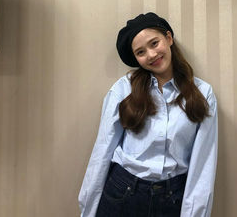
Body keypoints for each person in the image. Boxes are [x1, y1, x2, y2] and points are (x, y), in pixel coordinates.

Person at [78, 12, 218, 217]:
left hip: (173, 198)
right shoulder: (123, 90)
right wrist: (88, 210)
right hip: (122, 194)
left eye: (154, 43)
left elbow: (203, 164)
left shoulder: (203, 93)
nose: (151, 55)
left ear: (168, 38)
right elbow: (102, 150)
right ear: (135, 58)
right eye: (141, 52)